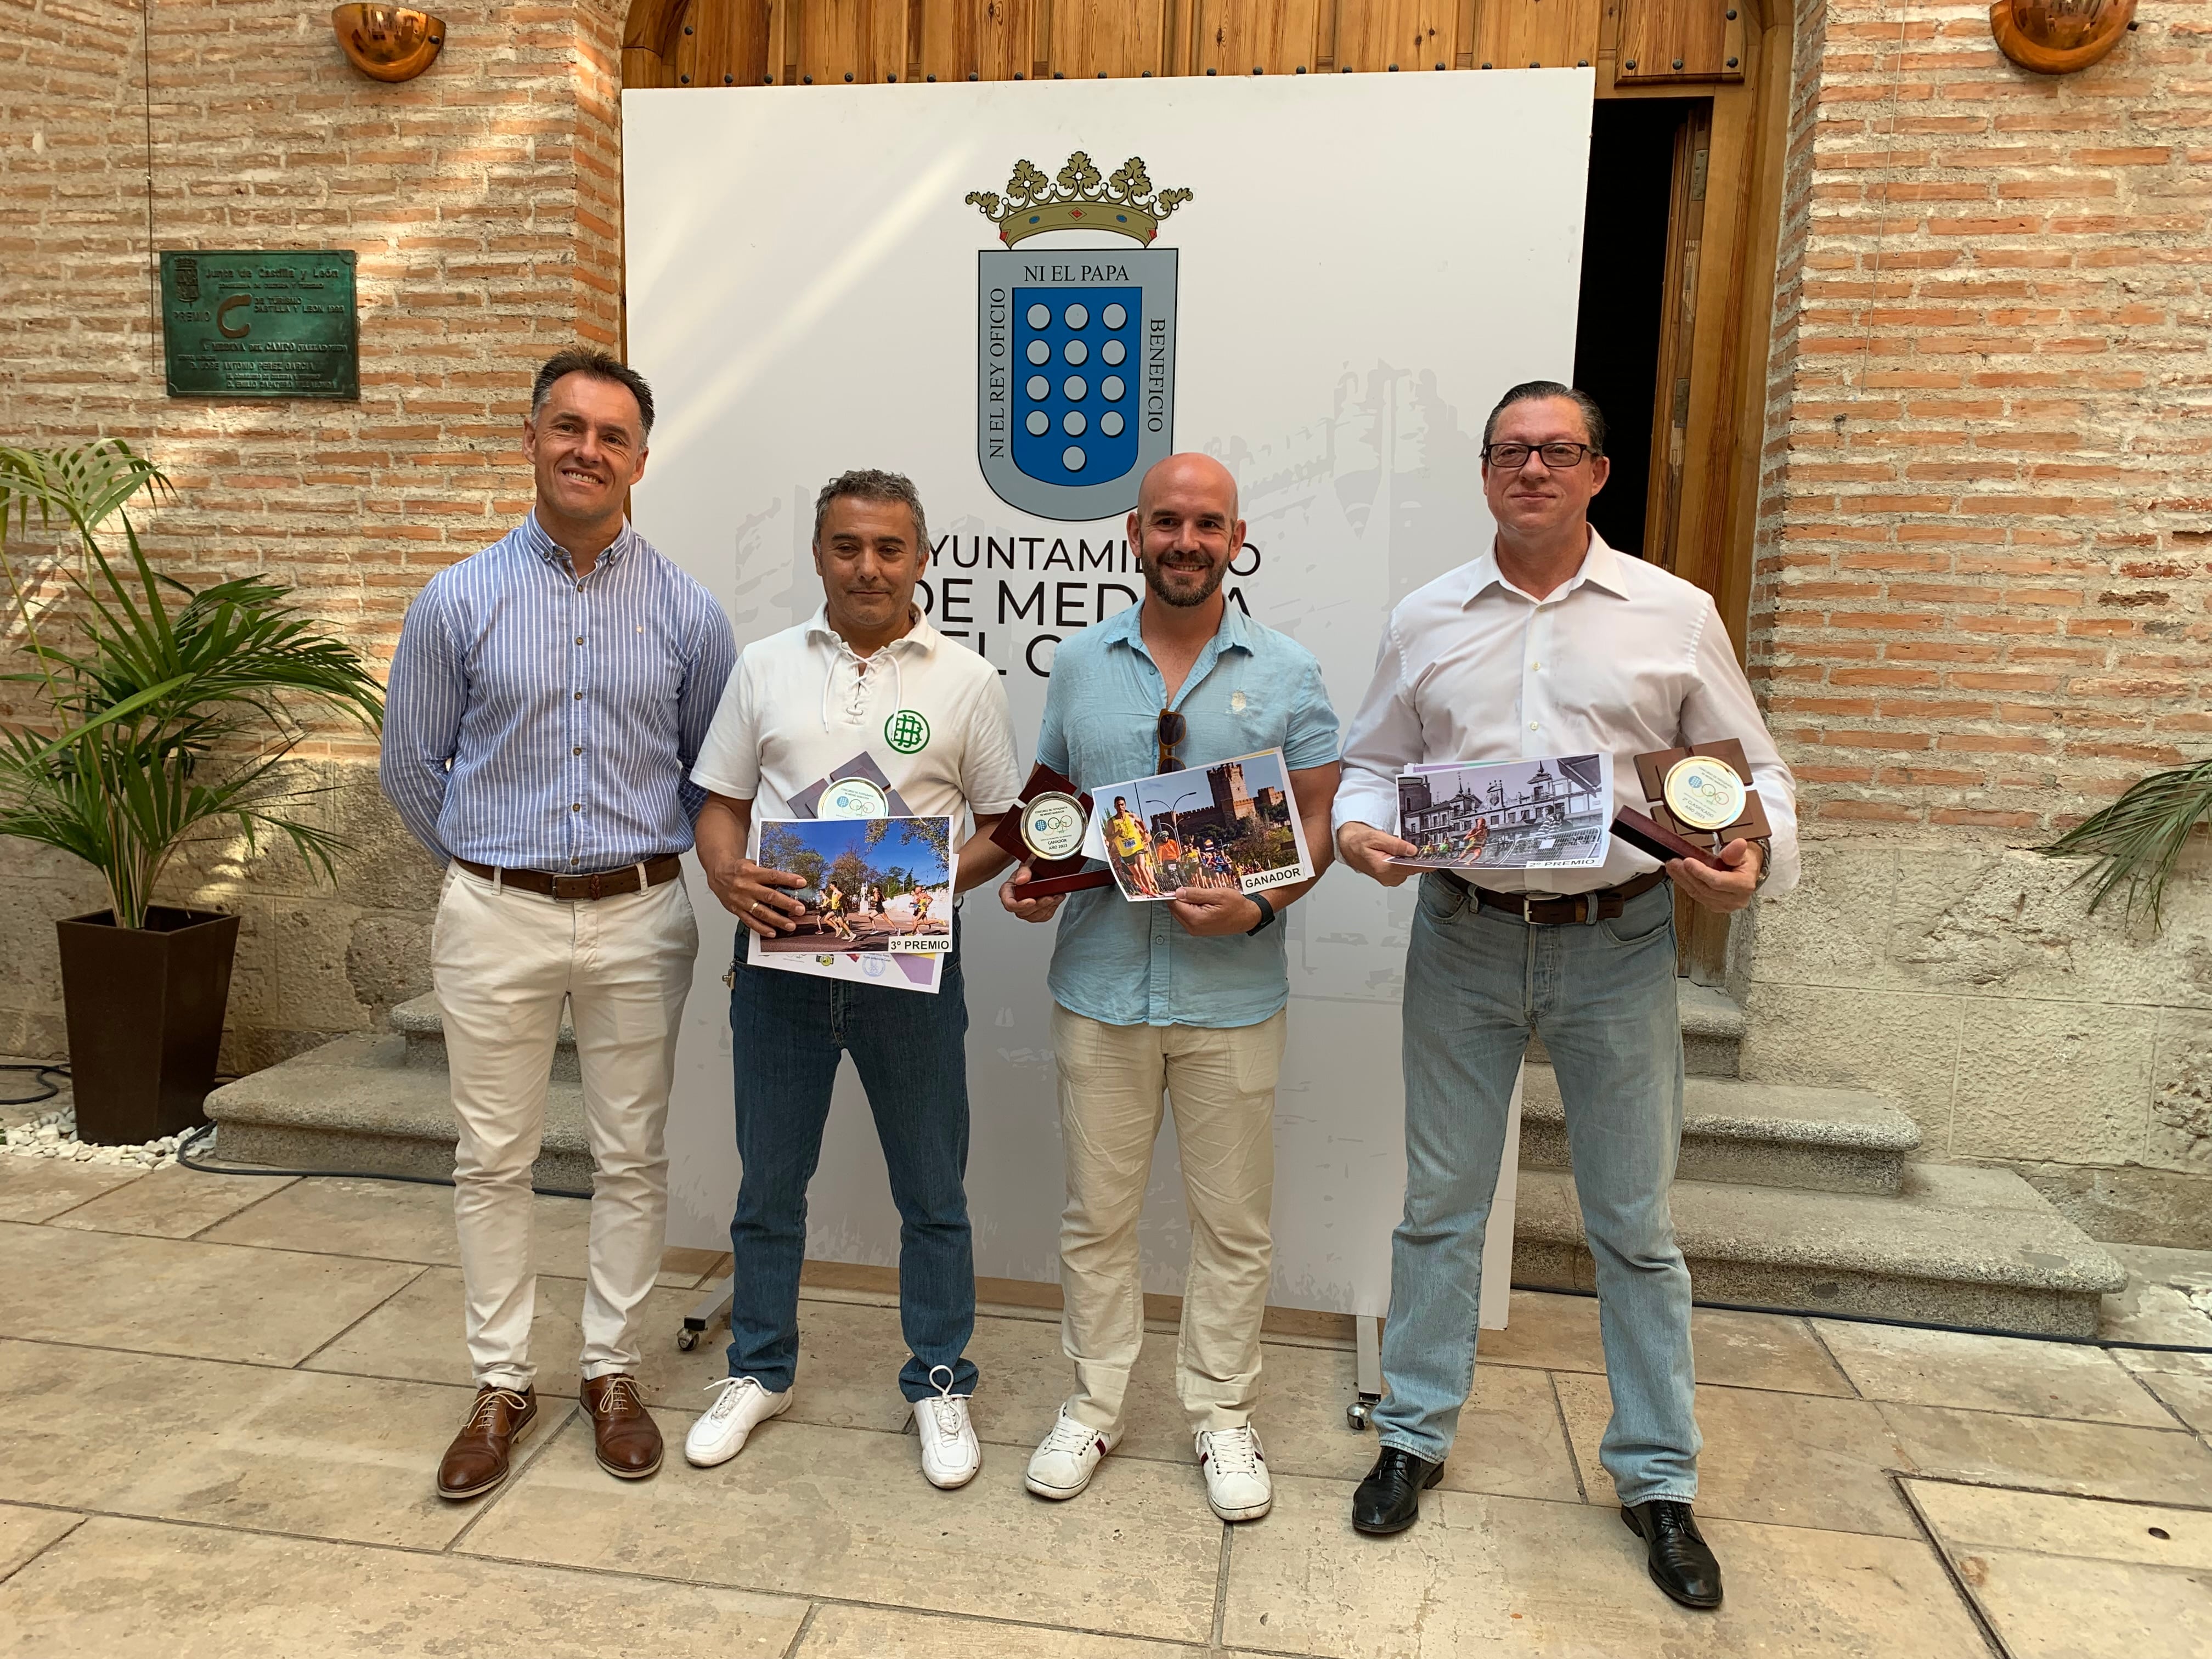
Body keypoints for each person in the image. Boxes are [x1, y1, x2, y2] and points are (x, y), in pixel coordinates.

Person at [1331, 381, 1799, 1610]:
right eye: (1511, 451)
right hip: (1465, 935)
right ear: (1487, 472)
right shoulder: (1427, 616)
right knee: (1441, 1204)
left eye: (1559, 451)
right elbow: (1375, 765)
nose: (1532, 468)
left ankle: (1657, 1477)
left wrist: (1747, 864)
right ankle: (1414, 1436)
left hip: (1618, 942)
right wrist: (1362, 836)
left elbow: (1754, 780)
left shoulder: (1673, 613)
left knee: (1634, 1224)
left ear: (1599, 472)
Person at [381, 347, 737, 1500]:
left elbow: (712, 777)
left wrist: (634, 865)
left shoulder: (689, 610)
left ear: (642, 457)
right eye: (568, 427)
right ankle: (500, 1380)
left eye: (613, 435)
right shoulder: (459, 599)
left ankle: (611, 1371)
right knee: (493, 1157)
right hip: (494, 915)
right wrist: (492, 871)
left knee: (632, 1155)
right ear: (530, 438)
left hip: (641, 917)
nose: (589, 449)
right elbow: (409, 766)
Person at [1001, 453, 1340, 1524]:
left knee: (1231, 1226)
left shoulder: (1287, 670)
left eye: (1206, 524)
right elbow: (1053, 800)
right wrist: (1041, 875)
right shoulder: (1080, 667)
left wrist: (1264, 904)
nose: (1185, 541)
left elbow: (1320, 817)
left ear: (1237, 539)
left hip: (1231, 992)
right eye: (1165, 523)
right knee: (1094, 1220)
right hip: (1100, 984)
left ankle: (1220, 1414)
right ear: (1134, 537)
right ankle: (1094, 1404)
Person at [686, 469, 1022, 1489]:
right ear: (819, 554)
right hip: (780, 965)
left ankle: (937, 1377)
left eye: (888, 548)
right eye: (846, 546)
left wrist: (917, 890)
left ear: (921, 557)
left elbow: (1007, 826)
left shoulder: (968, 680)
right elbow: (719, 800)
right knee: (768, 1185)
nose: (866, 566)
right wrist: (723, 874)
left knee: (932, 1186)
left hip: (910, 971)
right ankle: (760, 1368)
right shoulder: (764, 667)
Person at [1103, 795, 1158, 896]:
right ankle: (1144, 889)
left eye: (1122, 805)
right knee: (1136, 874)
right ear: (1115, 807)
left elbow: (1141, 822)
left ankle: (1151, 891)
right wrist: (1117, 834)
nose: (1121, 807)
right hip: (1125, 852)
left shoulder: (1131, 816)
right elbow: (1109, 838)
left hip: (1137, 847)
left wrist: (1145, 832)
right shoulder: (1112, 822)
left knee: (1141, 867)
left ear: (1125, 805)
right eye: (1118, 805)